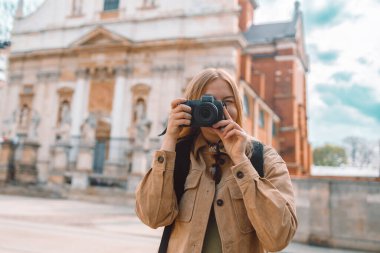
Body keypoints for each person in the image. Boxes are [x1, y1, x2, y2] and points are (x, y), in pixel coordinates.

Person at [135, 68, 297, 253]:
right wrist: (170, 140)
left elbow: (280, 237)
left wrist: (241, 161)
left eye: (227, 102)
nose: (217, 110)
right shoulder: (177, 156)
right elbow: (152, 217)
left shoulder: (265, 159)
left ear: (238, 108)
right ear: (190, 106)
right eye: (207, 103)